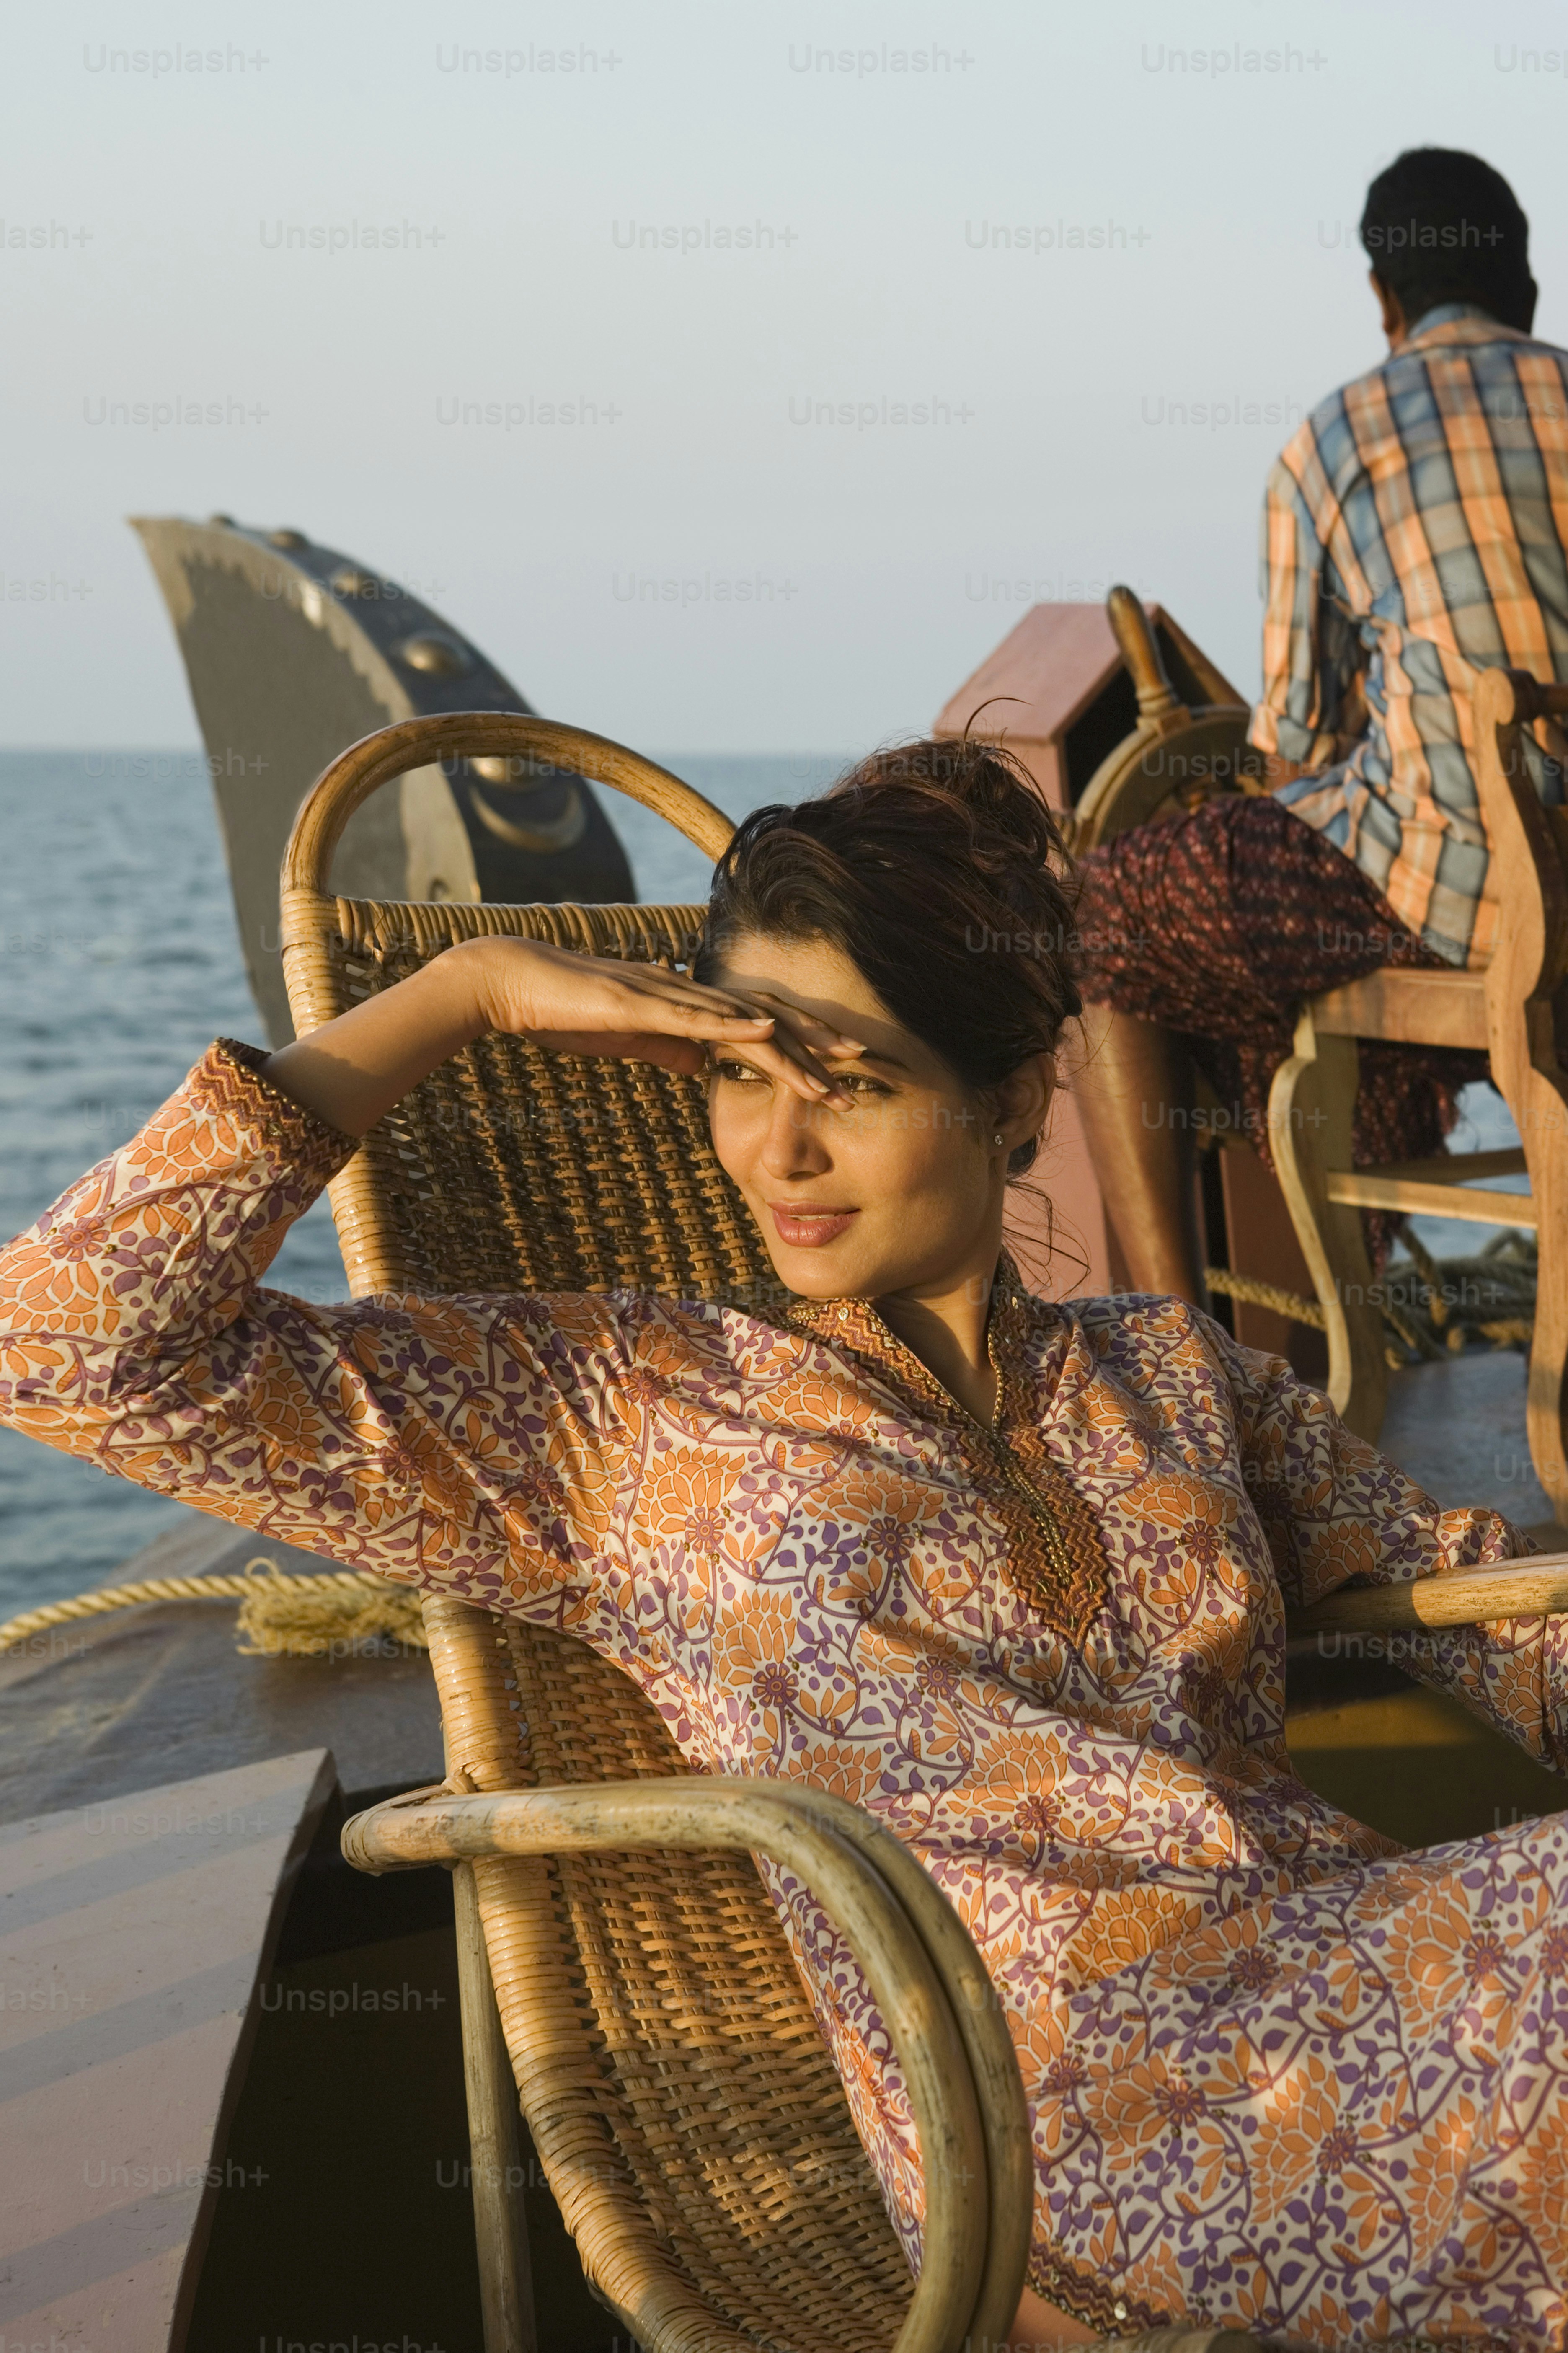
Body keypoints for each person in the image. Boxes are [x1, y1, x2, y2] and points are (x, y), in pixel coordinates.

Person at [2, 740, 1565, 2350]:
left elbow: (1494, 1614)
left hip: (1356, 1976)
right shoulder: (627, 1418)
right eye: (743, 1075)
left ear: (1015, 1099)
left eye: (853, 1086)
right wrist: (461, 998)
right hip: (1075, 2134)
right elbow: (66, 1347)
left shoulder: (1169, 1373)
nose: (779, 1152)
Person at [1076, 147, 1568, 1301]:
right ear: (1526, 281)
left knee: (1102, 913)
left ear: (1384, 298)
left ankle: (1187, 1352)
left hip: (1470, 912)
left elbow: (1296, 746)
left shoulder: (1338, 437)